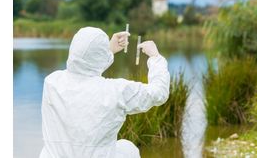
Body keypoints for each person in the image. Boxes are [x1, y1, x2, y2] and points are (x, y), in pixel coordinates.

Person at [39, 27, 170, 158]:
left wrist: (109, 50)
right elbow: (159, 93)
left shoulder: (51, 82)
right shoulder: (116, 91)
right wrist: (155, 58)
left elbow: (82, 70)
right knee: (128, 149)